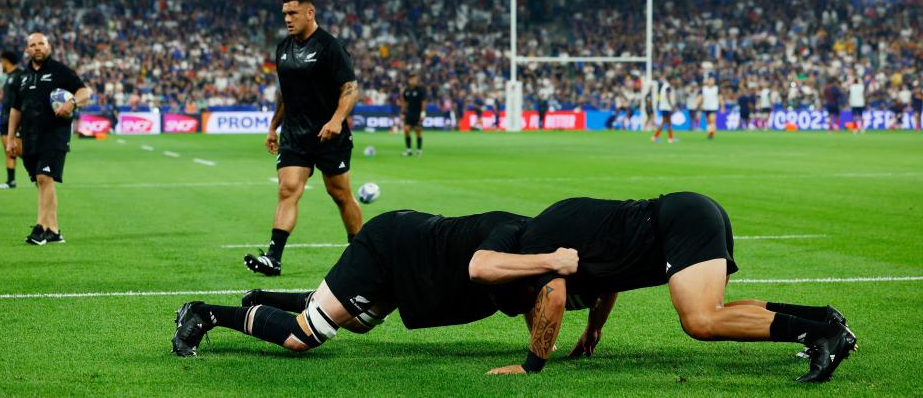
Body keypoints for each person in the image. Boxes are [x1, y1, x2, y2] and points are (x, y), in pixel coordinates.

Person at [470, 192, 858, 382]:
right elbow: (609, 281)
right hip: (689, 213)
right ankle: (824, 319)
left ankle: (822, 335)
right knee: (716, 311)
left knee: (701, 320)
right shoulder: (545, 229)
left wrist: (530, 366)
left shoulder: (536, 245)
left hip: (679, 223)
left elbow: (552, 299)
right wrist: (593, 328)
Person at [172, 209, 578, 362]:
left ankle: (262, 300)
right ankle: (205, 313)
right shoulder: (511, 234)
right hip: (391, 245)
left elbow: (528, 285)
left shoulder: (528, 243)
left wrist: (544, 337)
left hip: (412, 264)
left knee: (358, 321)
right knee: (303, 336)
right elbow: (487, 269)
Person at [246, 0, 362, 277]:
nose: (287, 19)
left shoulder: (329, 46)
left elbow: (350, 88)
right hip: (295, 136)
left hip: (328, 135)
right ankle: (273, 258)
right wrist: (273, 127)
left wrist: (336, 120)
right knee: (288, 190)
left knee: (340, 194)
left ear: (310, 13)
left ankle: (361, 252)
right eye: (284, 14)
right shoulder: (283, 48)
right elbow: (285, 93)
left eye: (292, 13)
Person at [6, 33, 90, 244]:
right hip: (29, 137)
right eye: (32, 45)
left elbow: (84, 91)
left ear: (48, 46)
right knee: (42, 182)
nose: (37, 48)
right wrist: (10, 139)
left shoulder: (59, 70)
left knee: (44, 178)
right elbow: (15, 110)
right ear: (27, 50)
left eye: (41, 44)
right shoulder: (22, 77)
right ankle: (53, 230)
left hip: (55, 135)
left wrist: (72, 103)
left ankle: (40, 228)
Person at [0, 50, 24, 189]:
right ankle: (10, 181)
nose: (1, 64)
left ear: (6, 61)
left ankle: (40, 171)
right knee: (8, 151)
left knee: (17, 151)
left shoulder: (19, 75)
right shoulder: (9, 77)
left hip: (13, 119)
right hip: (4, 118)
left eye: (1, 61)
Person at [400, 72, 427, 156]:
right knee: (406, 130)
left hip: (418, 113)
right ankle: (409, 150)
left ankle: (419, 150)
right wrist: (403, 112)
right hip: (409, 113)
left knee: (418, 130)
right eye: (412, 79)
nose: (414, 81)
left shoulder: (420, 89)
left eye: (415, 79)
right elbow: (404, 102)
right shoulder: (406, 90)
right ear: (409, 80)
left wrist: (423, 112)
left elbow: (423, 102)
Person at [651, 78, 676, 143]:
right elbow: (667, 96)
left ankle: (670, 137)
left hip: (663, 106)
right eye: (673, 80)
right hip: (666, 107)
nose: (674, 81)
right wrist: (671, 105)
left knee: (668, 122)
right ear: (671, 80)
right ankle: (656, 137)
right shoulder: (668, 87)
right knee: (665, 122)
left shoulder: (663, 86)